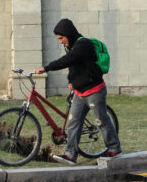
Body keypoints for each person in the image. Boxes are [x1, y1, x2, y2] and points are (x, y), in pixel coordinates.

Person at [35, 18, 122, 165]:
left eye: (61, 38)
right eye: (58, 39)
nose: (60, 41)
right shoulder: (72, 46)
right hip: (80, 93)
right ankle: (70, 155)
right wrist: (71, 81)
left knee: (101, 121)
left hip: (94, 91)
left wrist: (46, 68)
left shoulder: (83, 45)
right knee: (73, 123)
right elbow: (74, 66)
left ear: (68, 34)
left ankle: (114, 148)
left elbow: (68, 60)